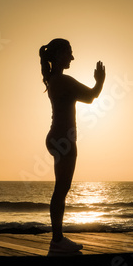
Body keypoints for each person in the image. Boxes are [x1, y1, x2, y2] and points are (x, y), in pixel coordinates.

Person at [39, 38, 105, 252]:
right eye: (69, 53)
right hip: (63, 140)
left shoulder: (53, 80)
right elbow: (91, 96)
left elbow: (87, 98)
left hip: (56, 137)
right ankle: (57, 240)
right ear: (59, 55)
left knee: (61, 189)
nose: (73, 57)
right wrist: (100, 81)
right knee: (61, 189)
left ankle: (57, 239)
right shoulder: (63, 81)